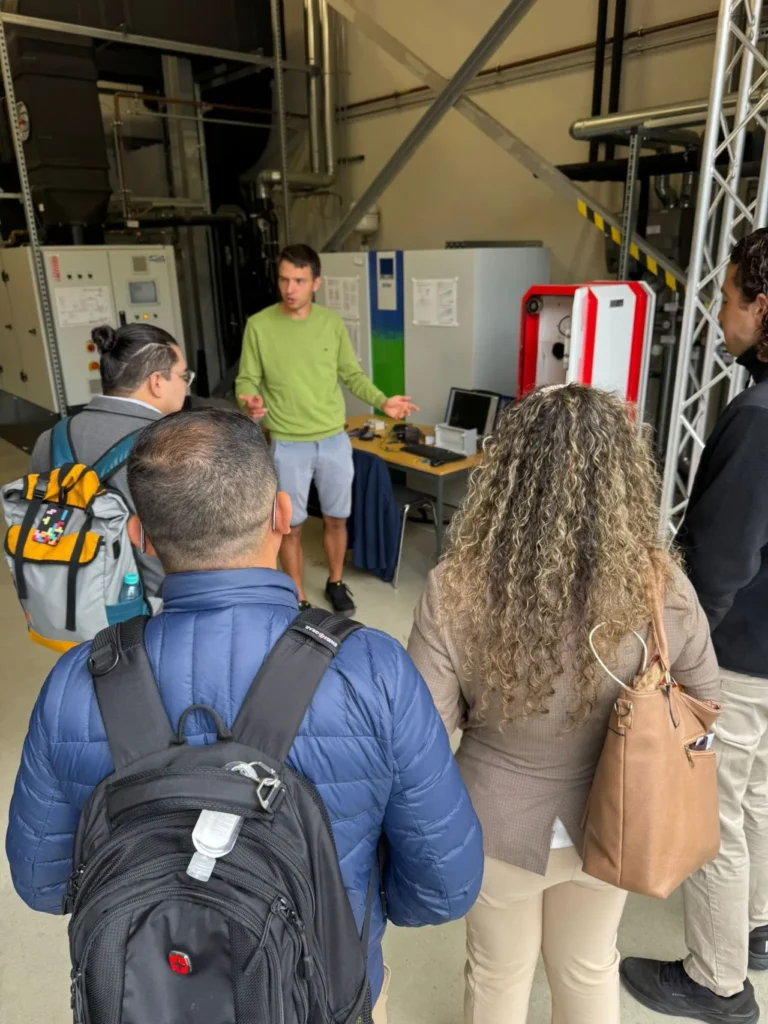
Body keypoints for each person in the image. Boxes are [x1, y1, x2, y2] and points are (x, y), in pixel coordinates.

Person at [6, 406, 484, 1024]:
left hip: (144, 999)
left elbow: (44, 885)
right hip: (325, 998)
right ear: (283, 516)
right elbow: (445, 886)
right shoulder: (372, 668)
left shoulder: (77, 681)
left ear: (139, 537)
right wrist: (347, 897)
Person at [408, 384, 720, 1024]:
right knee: (587, 968)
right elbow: (706, 701)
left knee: (497, 976)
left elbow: (424, 736)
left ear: (508, 474)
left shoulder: (454, 588)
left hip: (492, 822)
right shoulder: (661, 588)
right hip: (616, 816)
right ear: (625, 479)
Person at [621, 230, 768, 1024]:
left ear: (762, 305)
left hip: (741, 655)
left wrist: (675, 659)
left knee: (719, 813)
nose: (718, 309)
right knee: (761, 796)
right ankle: (756, 928)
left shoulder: (757, 417)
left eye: (728, 292)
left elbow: (719, 562)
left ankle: (719, 980)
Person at [236, 243, 417, 614]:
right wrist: (248, 400)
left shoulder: (331, 324)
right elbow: (247, 380)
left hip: (334, 440)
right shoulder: (259, 326)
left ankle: (335, 582)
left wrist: (383, 401)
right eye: (284, 280)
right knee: (291, 527)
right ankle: (298, 597)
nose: (290, 289)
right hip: (287, 442)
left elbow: (351, 375)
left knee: (337, 518)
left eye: (299, 281)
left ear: (315, 282)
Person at [29, 321, 191, 601]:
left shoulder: (50, 438)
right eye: (183, 375)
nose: (185, 385)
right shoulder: (169, 445)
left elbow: (42, 526)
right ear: (156, 381)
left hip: (67, 605)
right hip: (148, 617)